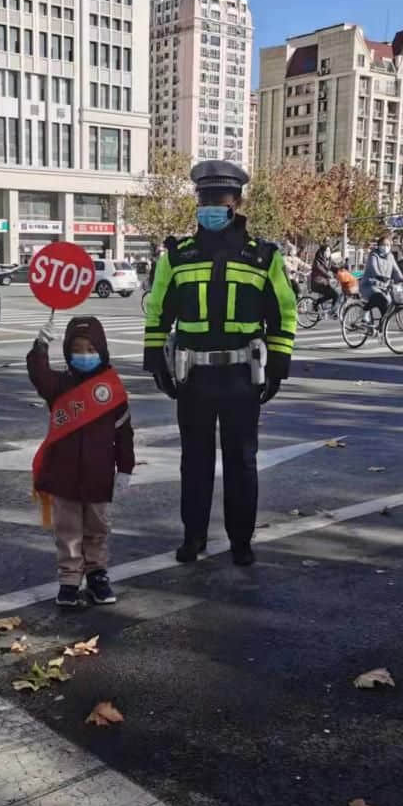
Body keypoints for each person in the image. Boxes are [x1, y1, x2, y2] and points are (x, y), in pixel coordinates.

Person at [142, 159, 297, 567]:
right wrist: (156, 361)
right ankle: (193, 537)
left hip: (241, 377)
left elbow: (283, 312)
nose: (210, 205)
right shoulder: (177, 255)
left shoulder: (264, 256)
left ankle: (241, 540)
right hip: (193, 377)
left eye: (219, 198)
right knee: (194, 463)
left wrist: (278, 364)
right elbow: (158, 310)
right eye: (204, 198)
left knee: (242, 462)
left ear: (236, 202)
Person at [28, 315, 135, 609]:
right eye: (77, 349)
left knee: (98, 528)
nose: (84, 355)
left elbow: (124, 433)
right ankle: (69, 580)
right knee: (68, 531)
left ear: (101, 350)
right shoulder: (60, 385)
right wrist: (40, 346)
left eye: (91, 349)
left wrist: (125, 468)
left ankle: (97, 575)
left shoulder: (112, 389)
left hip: (99, 476)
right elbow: (39, 375)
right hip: (64, 477)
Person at [360, 234, 403, 327]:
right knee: (379, 298)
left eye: (388, 245)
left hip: (384, 287)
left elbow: (396, 271)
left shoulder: (391, 257)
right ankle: (365, 312)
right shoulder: (373, 255)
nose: (386, 247)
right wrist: (382, 277)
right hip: (370, 285)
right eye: (384, 245)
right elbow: (374, 269)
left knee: (390, 306)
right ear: (379, 246)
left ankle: (381, 328)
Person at [309, 243, 339, 313]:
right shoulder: (317, 261)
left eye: (329, 251)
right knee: (335, 294)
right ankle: (333, 311)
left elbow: (334, 268)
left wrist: (341, 271)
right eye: (327, 251)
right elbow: (320, 269)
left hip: (324, 283)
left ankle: (317, 303)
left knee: (332, 294)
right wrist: (329, 275)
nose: (329, 253)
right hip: (317, 283)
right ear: (323, 252)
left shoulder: (328, 261)